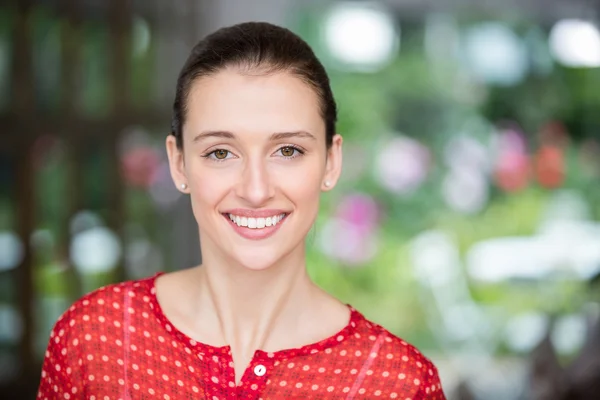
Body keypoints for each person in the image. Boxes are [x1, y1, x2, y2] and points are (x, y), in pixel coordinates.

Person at [37, 22, 446, 399]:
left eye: (288, 151)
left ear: (331, 162)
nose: (255, 190)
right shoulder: (95, 340)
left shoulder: (398, 382)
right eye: (220, 152)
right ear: (179, 162)